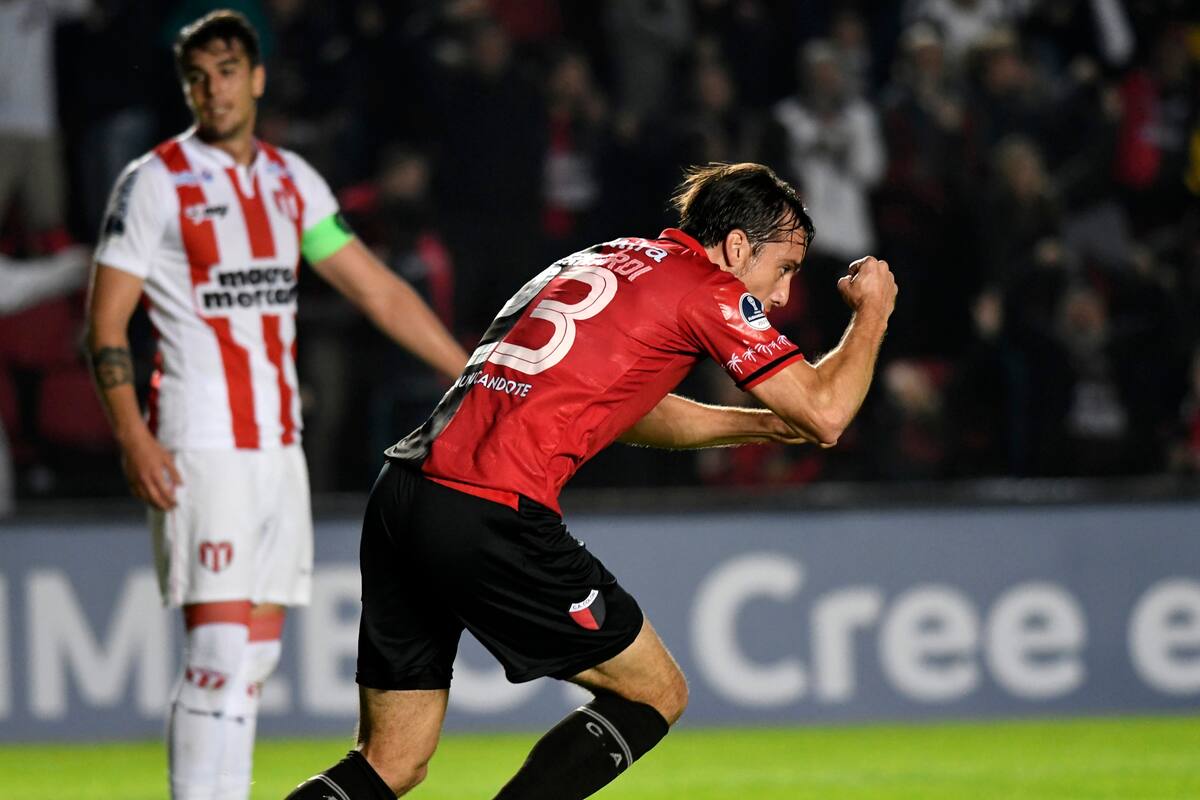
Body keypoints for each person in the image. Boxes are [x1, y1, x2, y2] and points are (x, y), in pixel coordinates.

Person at [286, 162, 898, 800]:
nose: (780, 296)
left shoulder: (604, 257)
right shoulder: (707, 287)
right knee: (655, 693)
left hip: (406, 492)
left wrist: (770, 428)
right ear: (738, 247)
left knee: (392, 760)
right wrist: (874, 311)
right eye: (785, 268)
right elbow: (828, 415)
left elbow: (631, 407)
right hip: (490, 507)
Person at [85, 11, 467, 800]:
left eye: (226, 70)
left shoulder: (291, 181)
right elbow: (105, 321)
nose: (212, 88)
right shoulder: (153, 181)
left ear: (256, 78)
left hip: (275, 445)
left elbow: (376, 289)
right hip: (200, 439)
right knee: (218, 655)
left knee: (252, 661)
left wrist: (468, 370)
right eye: (197, 75)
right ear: (185, 86)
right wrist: (134, 436)